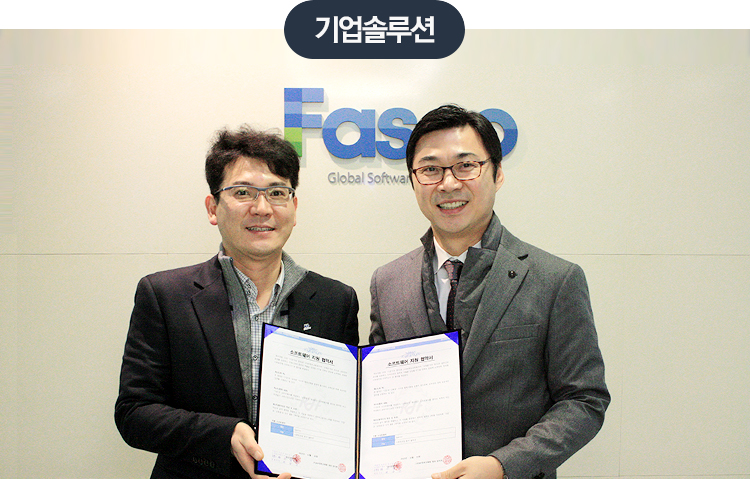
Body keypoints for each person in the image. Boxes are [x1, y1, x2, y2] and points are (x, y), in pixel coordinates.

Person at [369, 105, 609, 479]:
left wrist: (503, 465)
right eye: (430, 170)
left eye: (466, 166)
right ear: (413, 181)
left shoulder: (554, 280)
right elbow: (378, 396)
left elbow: (584, 400)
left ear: (497, 174)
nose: (448, 184)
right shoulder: (388, 282)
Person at [115, 126, 359, 479]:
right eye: (243, 192)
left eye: (277, 192)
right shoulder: (165, 295)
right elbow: (134, 413)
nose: (262, 208)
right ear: (212, 208)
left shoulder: (335, 301)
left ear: (293, 207)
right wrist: (223, 434)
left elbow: (343, 414)